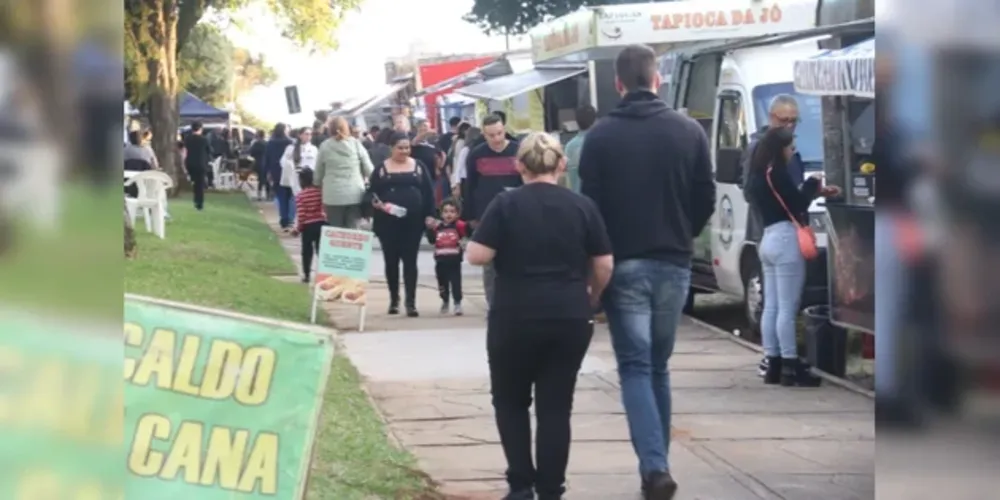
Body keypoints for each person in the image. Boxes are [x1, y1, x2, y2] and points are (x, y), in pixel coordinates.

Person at [579, 44, 716, 499]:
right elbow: (704, 196)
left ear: (617, 83)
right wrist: (682, 232)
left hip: (622, 262)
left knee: (636, 366)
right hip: (673, 261)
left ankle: (655, 467)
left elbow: (590, 206)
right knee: (658, 366)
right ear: (657, 79)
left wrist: (594, 264)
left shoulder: (600, 136)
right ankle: (657, 466)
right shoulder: (688, 131)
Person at [465, 132, 614, 500]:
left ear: (519, 166)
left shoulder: (505, 204)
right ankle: (551, 488)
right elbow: (604, 264)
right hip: (569, 314)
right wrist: (592, 297)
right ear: (561, 164)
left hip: (515, 314)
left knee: (510, 401)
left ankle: (520, 484)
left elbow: (478, 255)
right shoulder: (582, 206)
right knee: (556, 407)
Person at [744, 127, 840, 387]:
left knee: (771, 305)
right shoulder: (777, 173)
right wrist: (812, 184)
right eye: (790, 148)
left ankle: (772, 362)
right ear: (780, 149)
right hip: (786, 239)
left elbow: (782, 201)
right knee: (787, 307)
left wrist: (812, 191)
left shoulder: (757, 175)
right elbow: (796, 204)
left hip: (767, 238)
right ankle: (790, 363)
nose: (792, 152)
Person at [367, 132, 436, 316]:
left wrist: (430, 215)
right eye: (400, 148)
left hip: (413, 221)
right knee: (391, 261)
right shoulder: (381, 168)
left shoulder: (419, 167)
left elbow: (428, 192)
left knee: (410, 261)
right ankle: (394, 299)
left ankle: (410, 302)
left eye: (407, 148)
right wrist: (375, 203)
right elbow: (371, 191)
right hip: (387, 222)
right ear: (392, 148)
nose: (404, 151)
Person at [465, 114, 521, 311]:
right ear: (484, 134)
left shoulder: (518, 151)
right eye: (491, 135)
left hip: (516, 215)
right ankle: (493, 304)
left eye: (499, 133)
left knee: (515, 259)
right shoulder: (476, 155)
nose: (496, 139)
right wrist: (471, 216)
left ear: (504, 129)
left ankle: (514, 301)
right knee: (488, 263)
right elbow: (470, 186)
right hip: (486, 215)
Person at [316, 116, 375, 228]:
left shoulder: (324, 146)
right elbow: (369, 169)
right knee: (353, 229)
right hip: (355, 194)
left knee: (335, 230)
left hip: (332, 196)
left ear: (330, 129)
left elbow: (318, 173)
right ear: (346, 128)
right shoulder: (356, 144)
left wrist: (317, 184)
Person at [426, 199, 467, 315]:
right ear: (441, 213)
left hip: (454, 261)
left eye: (452, 212)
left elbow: (466, 235)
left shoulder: (459, 226)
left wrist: (464, 242)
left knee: (456, 283)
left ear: (457, 214)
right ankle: (445, 300)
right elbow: (431, 240)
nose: (449, 214)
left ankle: (457, 302)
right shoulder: (437, 227)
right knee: (442, 283)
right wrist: (429, 229)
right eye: (446, 211)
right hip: (440, 261)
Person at [293, 169, 326, 283]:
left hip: (308, 226)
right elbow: (324, 208)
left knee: (306, 251)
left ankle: (307, 274)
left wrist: (298, 229)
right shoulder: (320, 192)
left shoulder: (300, 196)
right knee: (321, 250)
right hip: (321, 223)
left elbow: (301, 215)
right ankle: (324, 274)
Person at [264, 123, 294, 230]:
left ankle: (284, 217)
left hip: (276, 171)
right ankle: (290, 217)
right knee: (290, 196)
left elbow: (267, 158)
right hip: (288, 171)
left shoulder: (271, 143)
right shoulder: (290, 143)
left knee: (281, 196)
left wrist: (267, 172)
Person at [562, 104, 596, 192]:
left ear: (576, 122)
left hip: (576, 196)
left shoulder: (569, 147)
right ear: (595, 121)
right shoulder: (598, 143)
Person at [280, 127, 318, 202]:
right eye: (306, 134)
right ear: (300, 135)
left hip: (310, 180)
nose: (308, 136)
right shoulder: (291, 148)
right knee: (297, 200)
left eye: (310, 134)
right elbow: (283, 161)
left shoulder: (314, 149)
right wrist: (290, 166)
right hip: (296, 179)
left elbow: (317, 163)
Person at [183, 121, 213, 210]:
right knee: (200, 184)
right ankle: (199, 202)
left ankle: (195, 198)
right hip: (200, 164)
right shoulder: (204, 140)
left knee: (195, 182)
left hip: (190, 163)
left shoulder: (188, 139)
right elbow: (210, 151)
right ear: (200, 129)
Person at [451, 126, 481, 200]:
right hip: (465, 180)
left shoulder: (479, 149)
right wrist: (457, 185)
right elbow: (458, 169)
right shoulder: (465, 150)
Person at [249, 129, 269, 200]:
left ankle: (259, 194)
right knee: (265, 178)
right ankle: (268, 193)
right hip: (266, 162)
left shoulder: (256, 143)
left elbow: (251, 153)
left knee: (260, 179)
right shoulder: (267, 143)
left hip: (258, 162)